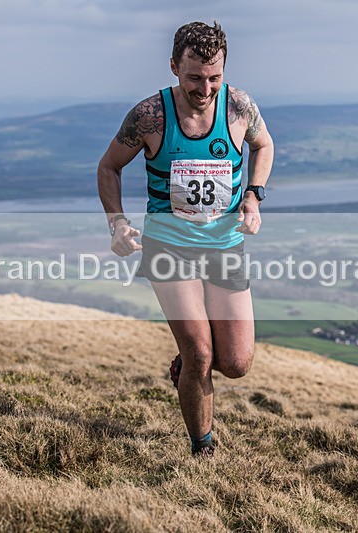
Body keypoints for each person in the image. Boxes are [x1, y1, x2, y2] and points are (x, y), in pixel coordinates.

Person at [97, 21, 274, 457]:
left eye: (214, 77)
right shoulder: (149, 116)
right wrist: (117, 223)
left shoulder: (238, 106)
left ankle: (185, 368)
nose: (205, 88)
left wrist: (253, 196)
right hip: (168, 247)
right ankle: (203, 448)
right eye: (194, 77)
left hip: (224, 244)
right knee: (200, 353)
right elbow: (108, 167)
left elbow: (264, 145)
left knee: (234, 363)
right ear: (174, 66)